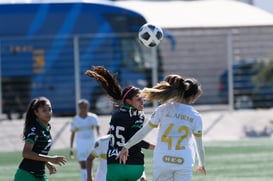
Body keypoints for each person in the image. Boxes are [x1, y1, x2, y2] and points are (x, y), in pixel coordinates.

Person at [118, 74, 206, 181]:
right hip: (183, 161)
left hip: (163, 159)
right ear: (193, 97)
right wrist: (201, 164)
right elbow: (199, 145)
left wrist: (126, 146)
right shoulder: (195, 116)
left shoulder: (163, 109)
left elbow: (143, 132)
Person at [85, 66, 155, 181]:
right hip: (133, 164)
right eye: (138, 99)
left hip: (113, 165)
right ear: (128, 101)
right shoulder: (137, 115)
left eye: (143, 99)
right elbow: (135, 139)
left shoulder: (115, 114)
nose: (142, 102)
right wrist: (154, 147)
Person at [13, 96, 67, 181]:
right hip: (26, 175)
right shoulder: (35, 129)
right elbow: (26, 153)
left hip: (40, 174)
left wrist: (47, 163)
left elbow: (37, 151)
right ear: (36, 113)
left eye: (50, 109)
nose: (48, 113)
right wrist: (50, 158)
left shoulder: (46, 128)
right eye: (44, 110)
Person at [86, 133, 152, 181]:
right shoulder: (102, 142)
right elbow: (89, 159)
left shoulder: (131, 143)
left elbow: (137, 162)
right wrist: (89, 177)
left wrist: (143, 175)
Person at [70, 99, 100, 181]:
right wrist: (71, 148)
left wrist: (98, 141)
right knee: (82, 163)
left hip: (91, 142)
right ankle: (85, 179)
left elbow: (98, 132)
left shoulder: (93, 117)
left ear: (88, 107)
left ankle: (89, 177)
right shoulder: (75, 119)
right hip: (80, 143)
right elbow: (72, 134)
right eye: (81, 107)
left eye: (85, 107)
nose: (83, 109)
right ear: (79, 108)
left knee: (89, 161)